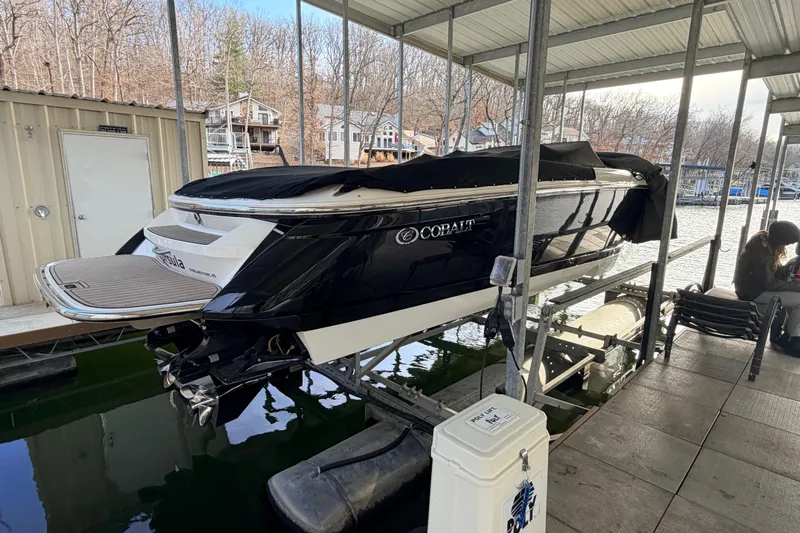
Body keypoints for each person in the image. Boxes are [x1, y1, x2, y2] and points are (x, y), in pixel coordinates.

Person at [734, 221, 800, 354]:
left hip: (750, 288)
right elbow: (770, 283)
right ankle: (793, 340)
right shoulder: (762, 254)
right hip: (753, 293)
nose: (790, 245)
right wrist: (796, 287)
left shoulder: (762, 242)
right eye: (789, 242)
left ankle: (790, 336)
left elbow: (771, 273)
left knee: (794, 299)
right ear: (782, 240)